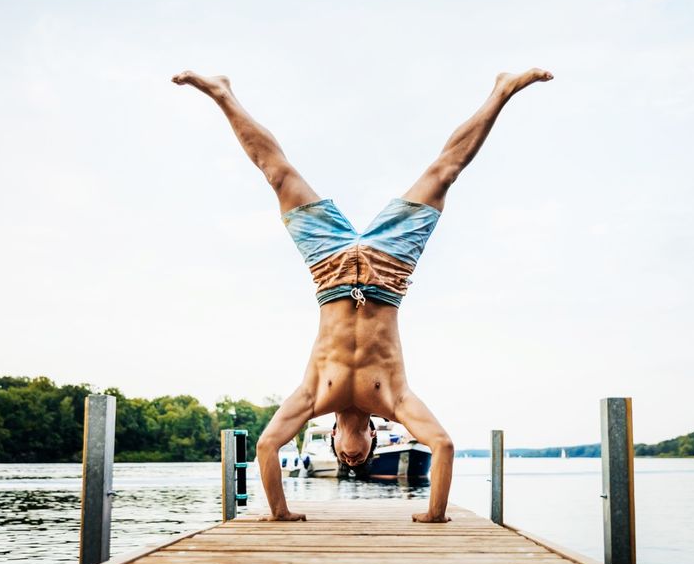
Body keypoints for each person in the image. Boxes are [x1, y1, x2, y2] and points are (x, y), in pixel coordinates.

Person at [173, 68, 553, 522]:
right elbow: (443, 445)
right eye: (358, 459)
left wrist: (279, 513)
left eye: (347, 459)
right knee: (444, 172)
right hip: (389, 268)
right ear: (374, 436)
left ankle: (221, 92)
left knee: (277, 173)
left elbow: (267, 446)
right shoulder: (392, 401)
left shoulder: (314, 397)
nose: (351, 459)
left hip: (329, 265)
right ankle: (502, 89)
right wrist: (435, 513)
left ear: (333, 438)